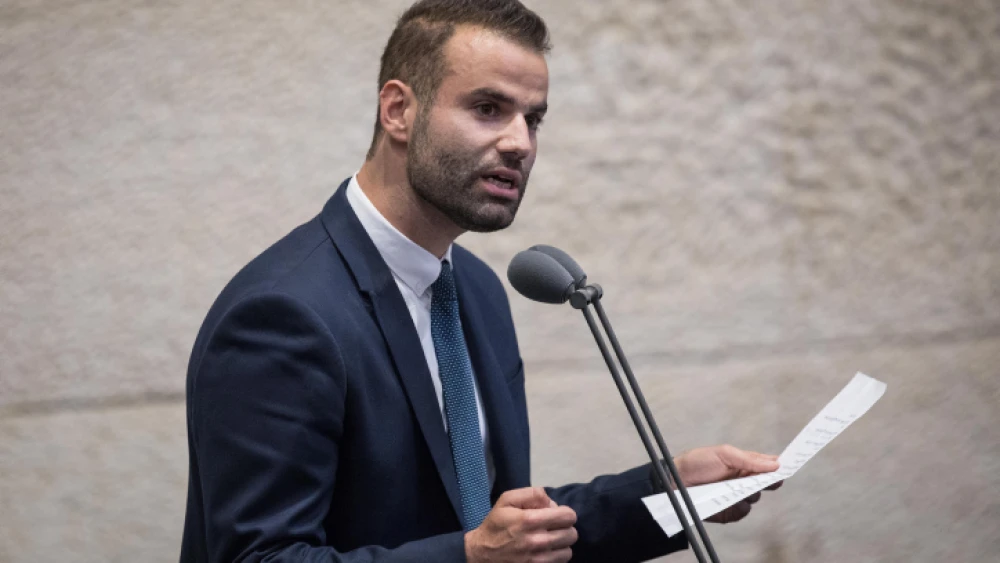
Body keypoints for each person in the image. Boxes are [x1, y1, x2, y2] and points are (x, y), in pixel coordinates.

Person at [180, 1, 781, 561]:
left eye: (533, 118)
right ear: (398, 111)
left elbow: (506, 529)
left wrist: (669, 491)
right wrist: (468, 557)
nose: (520, 143)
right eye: (488, 109)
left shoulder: (478, 289)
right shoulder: (283, 315)